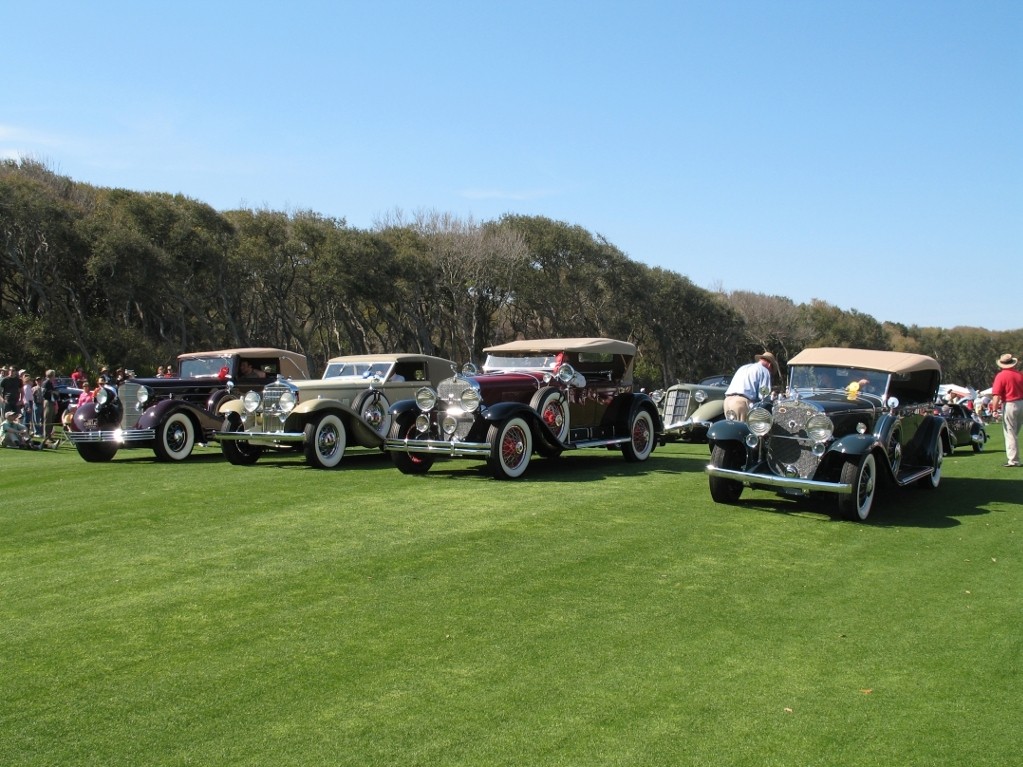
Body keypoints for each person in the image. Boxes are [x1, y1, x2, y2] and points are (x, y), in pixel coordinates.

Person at [724, 352, 778, 422]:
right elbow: (763, 396)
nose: (770, 372)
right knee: (743, 430)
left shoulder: (743, 368)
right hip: (741, 403)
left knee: (731, 429)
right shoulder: (764, 371)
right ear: (770, 365)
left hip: (727, 401)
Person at [990, 353, 1023, 468]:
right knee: (1014, 433)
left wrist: (994, 409)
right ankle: (1014, 458)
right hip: (1021, 403)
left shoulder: (1001, 376)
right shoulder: (1019, 375)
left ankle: (1013, 460)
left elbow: (996, 395)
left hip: (1010, 404)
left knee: (1010, 433)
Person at [41, 369, 60, 447]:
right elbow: (44, 393)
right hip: (47, 402)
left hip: (52, 402)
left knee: (51, 418)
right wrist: (53, 392)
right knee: (47, 419)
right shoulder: (46, 383)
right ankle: (46, 436)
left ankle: (49, 435)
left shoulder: (51, 383)